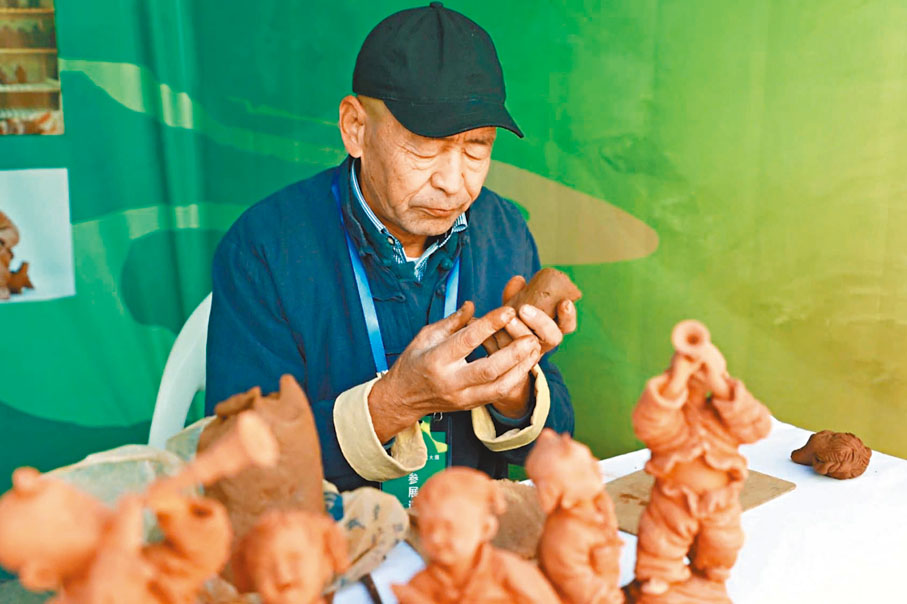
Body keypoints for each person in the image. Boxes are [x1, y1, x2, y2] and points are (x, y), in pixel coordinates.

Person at [206, 2, 576, 494]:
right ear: (355, 127)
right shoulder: (265, 250)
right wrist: (395, 403)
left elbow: (557, 443)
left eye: (476, 147)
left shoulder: (504, 231)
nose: (452, 183)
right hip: (327, 547)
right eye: (425, 145)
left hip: (466, 542)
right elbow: (235, 462)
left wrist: (514, 392)